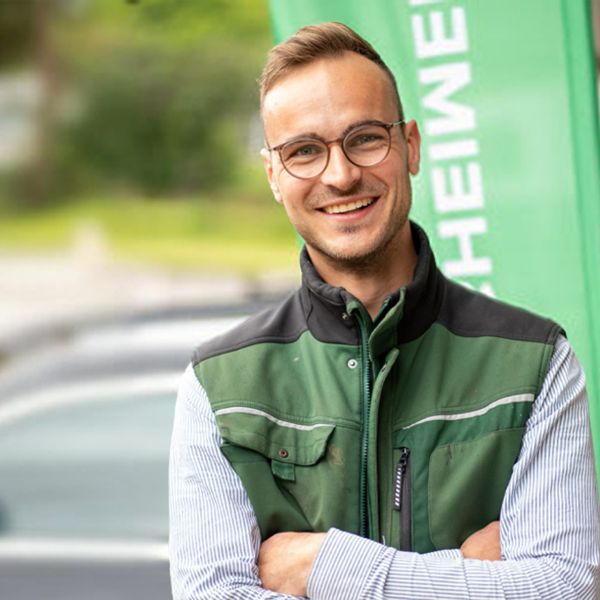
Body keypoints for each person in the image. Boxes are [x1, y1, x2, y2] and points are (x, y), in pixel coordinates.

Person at [169, 22, 600, 599]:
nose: (341, 174)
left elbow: (564, 588)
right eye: (304, 151)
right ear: (273, 175)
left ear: (410, 146)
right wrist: (468, 572)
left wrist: (324, 565)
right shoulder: (219, 387)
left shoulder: (535, 364)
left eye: (366, 138)